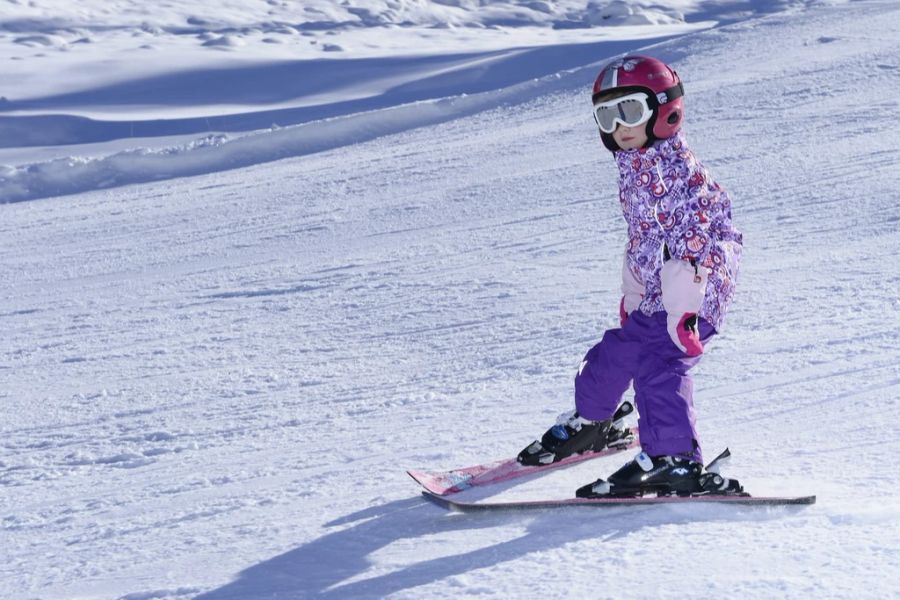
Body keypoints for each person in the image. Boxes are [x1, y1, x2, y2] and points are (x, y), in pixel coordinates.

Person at [517, 55, 744, 498]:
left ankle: (673, 459)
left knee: (659, 366)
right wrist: (635, 291)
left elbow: (700, 244)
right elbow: (646, 237)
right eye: (608, 115)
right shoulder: (637, 166)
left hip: (693, 296)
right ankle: (595, 422)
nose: (620, 125)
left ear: (664, 111)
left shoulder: (679, 173)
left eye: (631, 112)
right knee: (614, 352)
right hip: (659, 293)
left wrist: (683, 310)